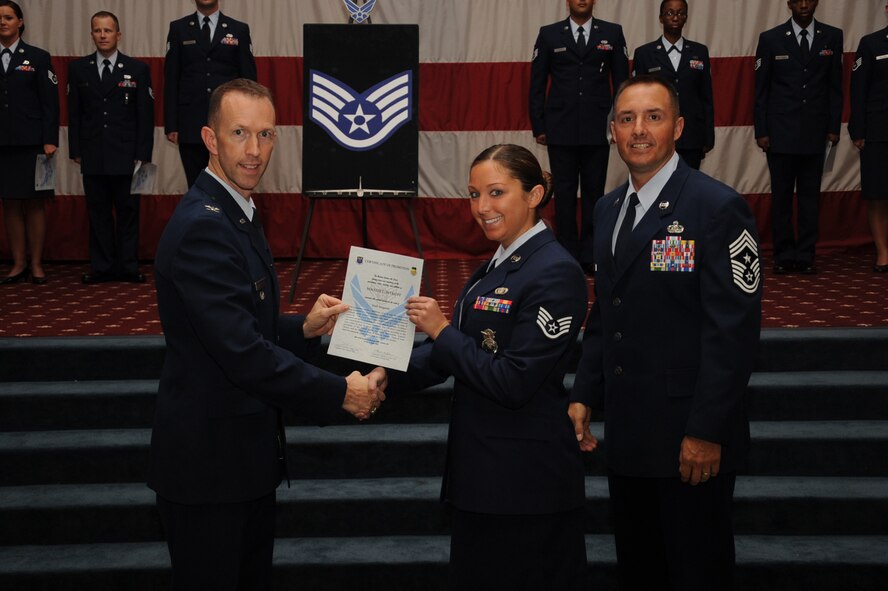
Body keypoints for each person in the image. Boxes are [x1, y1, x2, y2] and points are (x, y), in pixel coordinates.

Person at [149, 79, 383, 590]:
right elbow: (243, 355)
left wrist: (305, 326)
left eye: (266, 134)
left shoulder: (235, 210)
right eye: (239, 133)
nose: (255, 150)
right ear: (210, 139)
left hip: (239, 462)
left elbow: (240, 324)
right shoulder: (205, 226)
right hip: (210, 472)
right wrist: (341, 392)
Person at [368, 144, 590, 590]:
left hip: (526, 484)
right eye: (473, 194)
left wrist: (441, 329)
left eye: (495, 192)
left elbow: (512, 381)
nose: (481, 208)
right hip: (484, 477)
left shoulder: (555, 271)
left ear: (534, 195)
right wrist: (387, 373)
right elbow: (460, 354)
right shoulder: (498, 264)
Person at [570, 76, 762, 590]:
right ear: (612, 131)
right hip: (630, 435)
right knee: (642, 569)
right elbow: (605, 312)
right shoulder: (608, 209)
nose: (639, 130)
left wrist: (705, 431)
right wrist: (585, 393)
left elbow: (734, 333)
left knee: (696, 571)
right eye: (627, 119)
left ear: (678, 127)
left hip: (689, 440)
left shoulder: (717, 207)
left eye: (653, 117)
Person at [529, 0, 629, 273]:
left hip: (598, 128)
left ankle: (591, 254)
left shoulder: (612, 32)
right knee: (563, 195)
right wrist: (539, 126)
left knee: (595, 194)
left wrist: (620, 124)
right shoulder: (549, 34)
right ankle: (566, 255)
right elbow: (537, 82)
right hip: (560, 128)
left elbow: (623, 85)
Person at [754, 0, 843, 275]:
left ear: (816, 2)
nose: (804, 4)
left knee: (809, 198)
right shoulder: (770, 39)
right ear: (789, 4)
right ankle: (783, 254)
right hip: (779, 133)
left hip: (816, 132)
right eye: (798, 0)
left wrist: (833, 127)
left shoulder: (832, 36)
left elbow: (835, 86)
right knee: (781, 198)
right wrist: (762, 131)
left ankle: (805, 254)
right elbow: (761, 90)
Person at [68, 11, 154, 284]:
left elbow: (145, 116)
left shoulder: (137, 69)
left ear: (119, 34)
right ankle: (102, 267)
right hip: (93, 153)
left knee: (129, 212)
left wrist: (143, 154)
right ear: (91, 34)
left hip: (127, 155)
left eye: (108, 30)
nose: (103, 35)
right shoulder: (78, 69)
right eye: (97, 30)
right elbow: (74, 114)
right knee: (99, 212)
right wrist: (75, 150)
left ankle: (128, 266)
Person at [164, 0, 256, 188]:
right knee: (197, 185)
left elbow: (249, 82)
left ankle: (229, 219)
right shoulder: (178, 29)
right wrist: (171, 124)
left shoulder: (238, 29)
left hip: (230, 123)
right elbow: (171, 79)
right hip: (190, 123)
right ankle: (202, 219)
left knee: (231, 184)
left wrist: (249, 122)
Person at [0, 0, 58, 284]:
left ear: (20, 22)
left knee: (35, 205)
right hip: (3, 145)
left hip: (34, 143)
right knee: (10, 203)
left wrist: (49, 140)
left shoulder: (37, 57)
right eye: (0, 18)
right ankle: (18, 263)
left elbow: (50, 103)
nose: (3, 22)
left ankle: (36, 264)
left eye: (8, 17)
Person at [632, 0, 714, 170]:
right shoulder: (644, 54)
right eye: (670, 13)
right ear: (661, 18)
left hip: (692, 134)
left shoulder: (699, 52)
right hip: (656, 134)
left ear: (686, 17)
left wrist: (708, 137)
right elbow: (638, 100)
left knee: (689, 188)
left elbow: (706, 97)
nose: (675, 17)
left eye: (680, 13)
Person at [849, 2, 888, 273]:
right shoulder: (872, 43)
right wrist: (858, 130)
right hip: (878, 131)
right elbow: (858, 89)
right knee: (878, 195)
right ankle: (884, 252)